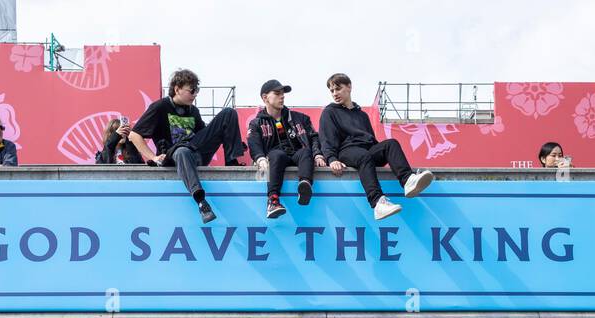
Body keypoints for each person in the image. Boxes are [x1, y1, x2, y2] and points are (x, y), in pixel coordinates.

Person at [129, 68, 247, 223]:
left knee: (228, 113)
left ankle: (231, 162)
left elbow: (204, 136)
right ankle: (201, 202)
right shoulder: (160, 107)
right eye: (192, 90)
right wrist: (153, 157)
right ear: (177, 89)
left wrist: (230, 138)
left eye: (196, 90)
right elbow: (134, 135)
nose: (195, 94)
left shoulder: (194, 111)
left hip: (196, 151)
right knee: (182, 151)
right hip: (175, 155)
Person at [319, 72, 434, 221]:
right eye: (332, 91)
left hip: (367, 150)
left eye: (338, 89)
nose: (334, 94)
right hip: (346, 151)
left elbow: (371, 139)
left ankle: (408, 181)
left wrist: (380, 151)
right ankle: (378, 203)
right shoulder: (330, 112)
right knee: (363, 156)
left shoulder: (362, 115)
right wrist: (331, 158)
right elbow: (327, 138)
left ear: (349, 87)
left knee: (391, 143)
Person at [247, 79, 326, 219]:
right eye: (277, 93)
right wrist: (259, 158)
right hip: (275, 157)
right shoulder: (256, 123)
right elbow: (253, 143)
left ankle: (305, 187)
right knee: (277, 155)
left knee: (305, 152)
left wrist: (318, 154)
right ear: (265, 97)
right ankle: (273, 201)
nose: (282, 96)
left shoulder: (300, 118)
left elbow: (314, 137)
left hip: (296, 155)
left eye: (283, 93)